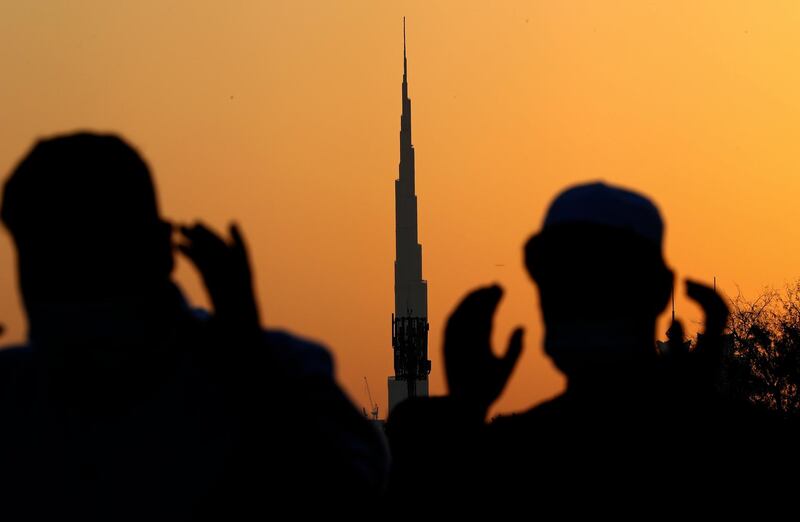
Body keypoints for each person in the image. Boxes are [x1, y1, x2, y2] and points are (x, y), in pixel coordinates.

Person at [0, 132, 387, 519]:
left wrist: (250, 362)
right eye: (50, 262)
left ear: (158, 250)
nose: (75, 291)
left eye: (97, 259)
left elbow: (349, 498)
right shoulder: (15, 396)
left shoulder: (272, 372)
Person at [386, 182, 784, 509]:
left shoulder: (510, 463)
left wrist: (463, 412)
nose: (580, 297)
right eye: (565, 279)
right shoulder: (753, 450)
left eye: (602, 279)